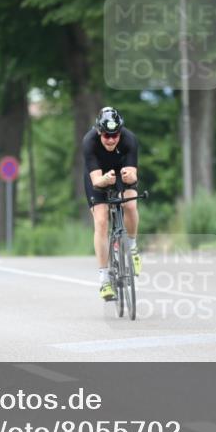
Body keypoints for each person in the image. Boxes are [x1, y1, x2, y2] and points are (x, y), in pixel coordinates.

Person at [82, 107, 141, 301]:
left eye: (115, 135)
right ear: (99, 131)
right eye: (106, 135)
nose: (110, 139)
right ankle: (104, 280)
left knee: (130, 205)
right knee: (101, 220)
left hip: (120, 171)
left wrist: (130, 176)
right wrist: (105, 180)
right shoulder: (89, 142)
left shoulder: (129, 139)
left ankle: (132, 246)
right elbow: (97, 181)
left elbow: (133, 174)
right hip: (98, 176)